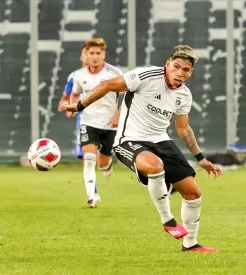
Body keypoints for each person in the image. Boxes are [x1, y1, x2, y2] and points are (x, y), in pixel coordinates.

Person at [63, 45, 222, 252]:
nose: (180, 73)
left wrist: (200, 158)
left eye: (186, 70)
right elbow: (108, 85)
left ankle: (190, 244)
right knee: (155, 167)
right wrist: (80, 106)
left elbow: (183, 129)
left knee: (193, 193)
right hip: (129, 140)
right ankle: (168, 220)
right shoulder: (145, 76)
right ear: (168, 64)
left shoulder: (184, 95)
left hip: (161, 141)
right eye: (176, 67)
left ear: (191, 72)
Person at [66, 38, 122, 209]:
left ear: (104, 54)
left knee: (102, 162)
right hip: (88, 122)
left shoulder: (113, 73)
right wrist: (71, 107)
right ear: (86, 54)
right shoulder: (79, 76)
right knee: (89, 158)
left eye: (98, 53)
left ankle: (107, 165)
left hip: (109, 124)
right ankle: (92, 196)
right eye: (92, 53)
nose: (95, 56)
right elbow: (75, 94)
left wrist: (118, 116)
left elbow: (128, 96)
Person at [57, 46, 89, 160]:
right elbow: (65, 97)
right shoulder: (74, 76)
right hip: (83, 116)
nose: (88, 56)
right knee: (85, 153)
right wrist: (65, 105)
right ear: (81, 57)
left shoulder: (105, 75)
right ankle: (89, 177)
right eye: (85, 53)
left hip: (103, 115)